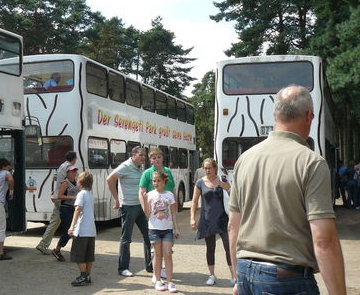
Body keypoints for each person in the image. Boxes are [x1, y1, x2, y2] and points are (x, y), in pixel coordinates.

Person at [228, 85, 345, 294]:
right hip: (286, 279)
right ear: (309, 116)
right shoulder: (311, 162)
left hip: (246, 272)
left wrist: (237, 278)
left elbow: (233, 226)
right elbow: (324, 240)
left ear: (275, 115)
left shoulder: (245, 159)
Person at [107, 146, 152, 277]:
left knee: (149, 236)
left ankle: (150, 266)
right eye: (141, 155)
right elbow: (110, 179)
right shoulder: (125, 166)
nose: (144, 158)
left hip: (141, 206)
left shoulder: (140, 168)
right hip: (128, 206)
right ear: (133, 155)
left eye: (144, 155)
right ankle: (123, 268)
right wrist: (116, 199)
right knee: (126, 239)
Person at [190, 158, 234, 286]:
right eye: (205, 168)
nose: (208, 170)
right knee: (210, 248)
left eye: (210, 168)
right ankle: (212, 275)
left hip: (223, 220)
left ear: (215, 168)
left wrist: (228, 188)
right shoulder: (200, 183)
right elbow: (194, 201)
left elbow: (234, 197)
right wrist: (192, 217)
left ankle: (233, 276)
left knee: (228, 247)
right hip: (207, 220)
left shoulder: (222, 181)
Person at [138, 147, 176, 283]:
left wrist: (174, 209)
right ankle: (156, 273)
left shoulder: (168, 172)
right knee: (155, 249)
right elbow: (141, 193)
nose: (156, 160)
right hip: (153, 214)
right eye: (153, 158)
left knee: (167, 248)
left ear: (162, 158)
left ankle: (164, 269)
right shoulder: (147, 173)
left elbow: (173, 189)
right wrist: (146, 212)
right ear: (150, 160)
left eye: (158, 157)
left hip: (167, 214)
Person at [143, 170, 180, 293]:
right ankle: (158, 280)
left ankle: (170, 281)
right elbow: (147, 214)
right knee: (157, 255)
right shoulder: (149, 195)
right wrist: (144, 201)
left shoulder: (169, 195)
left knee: (168, 254)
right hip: (154, 229)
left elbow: (174, 213)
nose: (156, 183)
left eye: (158, 181)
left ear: (164, 181)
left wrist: (176, 228)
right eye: (154, 181)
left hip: (167, 229)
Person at [36, 151, 77, 258]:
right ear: (74, 158)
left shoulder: (61, 166)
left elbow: (56, 179)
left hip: (58, 196)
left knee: (56, 222)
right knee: (58, 223)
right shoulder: (70, 168)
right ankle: (43, 244)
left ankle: (44, 244)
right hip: (63, 199)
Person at [68, 172, 96, 286]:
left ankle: (83, 276)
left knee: (78, 254)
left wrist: (72, 226)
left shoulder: (81, 194)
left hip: (81, 230)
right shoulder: (90, 194)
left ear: (79, 183)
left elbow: (78, 209)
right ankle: (88, 275)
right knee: (89, 255)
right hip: (91, 230)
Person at [51, 164, 80, 261]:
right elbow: (59, 196)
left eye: (75, 171)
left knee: (76, 230)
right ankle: (57, 249)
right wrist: (72, 197)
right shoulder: (65, 183)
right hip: (66, 208)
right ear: (67, 173)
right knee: (69, 231)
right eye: (72, 171)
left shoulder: (76, 182)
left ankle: (75, 251)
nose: (74, 173)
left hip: (74, 208)